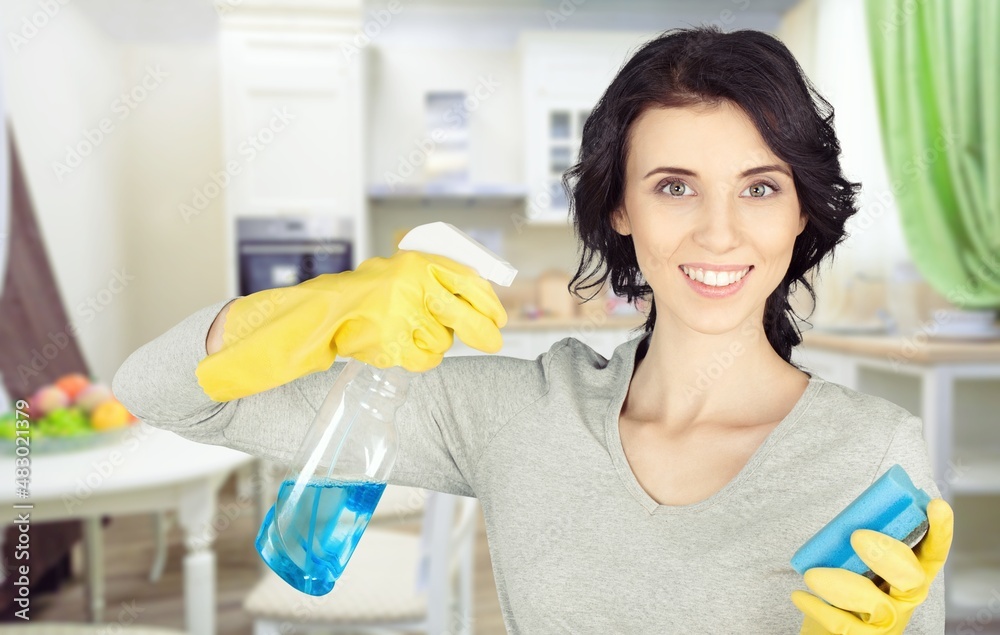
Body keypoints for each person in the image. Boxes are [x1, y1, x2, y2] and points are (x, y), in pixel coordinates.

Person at [113, 25, 953, 634]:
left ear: (801, 207)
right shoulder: (517, 414)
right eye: (674, 185)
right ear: (620, 207)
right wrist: (320, 307)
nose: (719, 231)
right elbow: (158, 391)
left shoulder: (874, 454)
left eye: (760, 187)